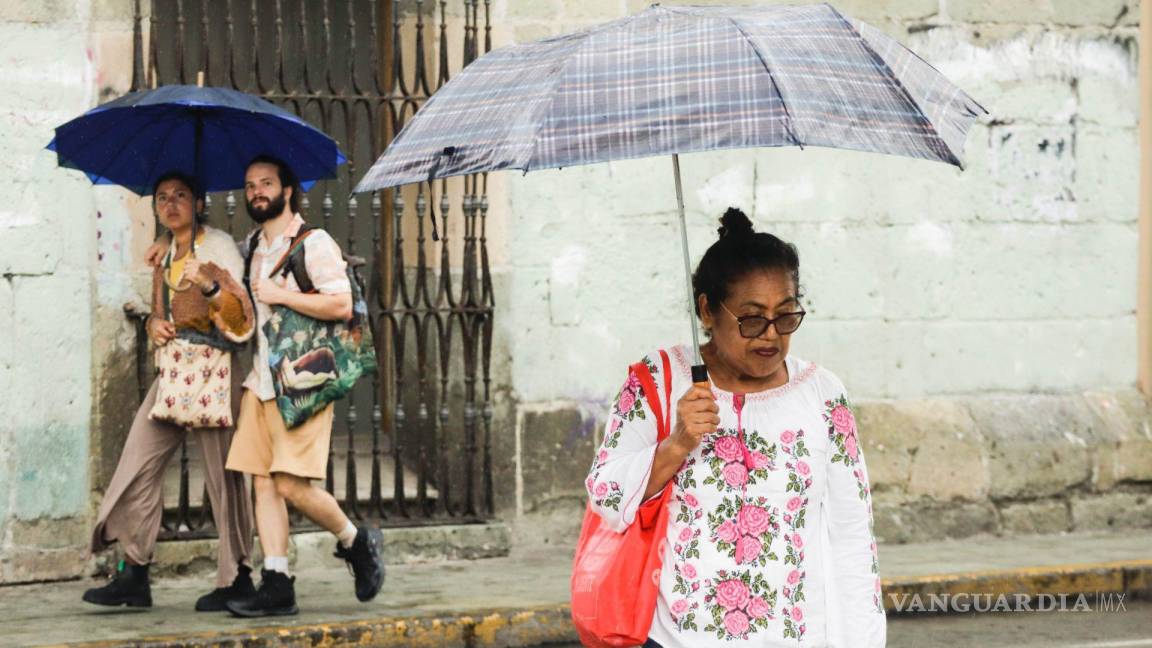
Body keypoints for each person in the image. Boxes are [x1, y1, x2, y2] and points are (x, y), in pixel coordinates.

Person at [584, 208, 886, 647]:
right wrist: (677, 443)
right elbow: (606, 497)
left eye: (785, 316)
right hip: (674, 639)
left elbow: (853, 534)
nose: (770, 335)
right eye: (751, 318)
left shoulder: (822, 393)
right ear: (708, 309)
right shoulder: (657, 382)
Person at [84, 172, 257, 612]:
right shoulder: (164, 253)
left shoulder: (215, 248)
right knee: (138, 464)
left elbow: (242, 319)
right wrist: (153, 324)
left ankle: (237, 577)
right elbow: (163, 316)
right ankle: (135, 571)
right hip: (173, 376)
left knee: (226, 480)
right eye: (163, 198)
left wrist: (210, 284)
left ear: (199, 202)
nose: (171, 203)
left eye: (181, 196)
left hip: (215, 376)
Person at [221, 155, 384, 617]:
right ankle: (277, 582)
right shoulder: (253, 246)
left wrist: (281, 295)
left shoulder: (314, 243)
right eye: (250, 184)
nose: (257, 191)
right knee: (263, 484)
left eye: (266, 183)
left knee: (292, 485)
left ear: (287, 189)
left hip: (302, 383)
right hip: (260, 382)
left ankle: (356, 541)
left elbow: (340, 304)